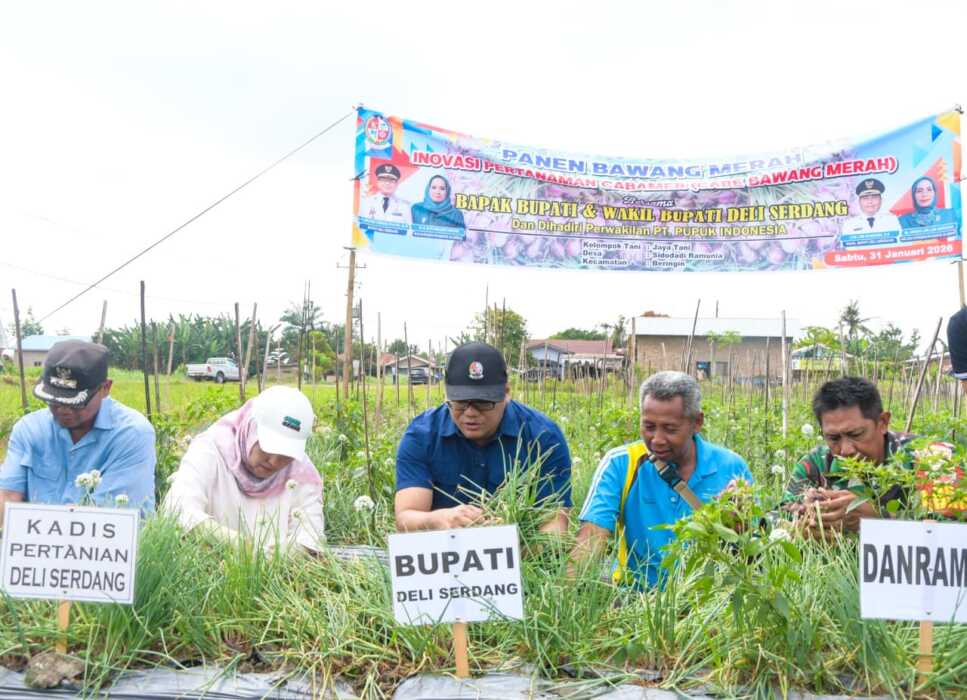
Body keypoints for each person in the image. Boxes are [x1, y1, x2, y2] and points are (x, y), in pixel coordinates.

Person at [572, 371, 752, 587]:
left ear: (697, 422)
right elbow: (591, 538)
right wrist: (562, 602)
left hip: (708, 607)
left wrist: (740, 524)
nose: (657, 440)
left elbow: (753, 548)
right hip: (633, 602)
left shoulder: (731, 467)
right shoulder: (621, 464)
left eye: (670, 429)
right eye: (649, 427)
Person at [395, 342, 571, 533]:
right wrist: (436, 519)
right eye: (460, 402)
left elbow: (554, 524)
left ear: (506, 394)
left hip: (524, 550)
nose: (470, 412)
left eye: (482, 402)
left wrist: (513, 552)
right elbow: (406, 518)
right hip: (443, 552)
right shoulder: (422, 436)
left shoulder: (544, 438)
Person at [0, 340, 156, 520]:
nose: (63, 409)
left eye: (75, 403)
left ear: (105, 388)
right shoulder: (29, 429)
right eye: (55, 400)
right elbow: (8, 497)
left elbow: (110, 516)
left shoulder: (132, 434)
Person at [782, 376, 958, 533]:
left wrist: (878, 520)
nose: (845, 450)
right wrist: (804, 523)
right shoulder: (815, 464)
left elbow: (951, 532)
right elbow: (772, 521)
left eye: (856, 434)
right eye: (833, 438)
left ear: (882, 423)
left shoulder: (934, 459)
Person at [162, 386, 324, 553]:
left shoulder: (302, 472)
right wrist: (236, 544)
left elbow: (311, 537)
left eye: (285, 455)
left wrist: (277, 556)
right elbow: (179, 509)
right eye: (269, 447)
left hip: (275, 572)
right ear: (251, 429)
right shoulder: (211, 450)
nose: (274, 462)